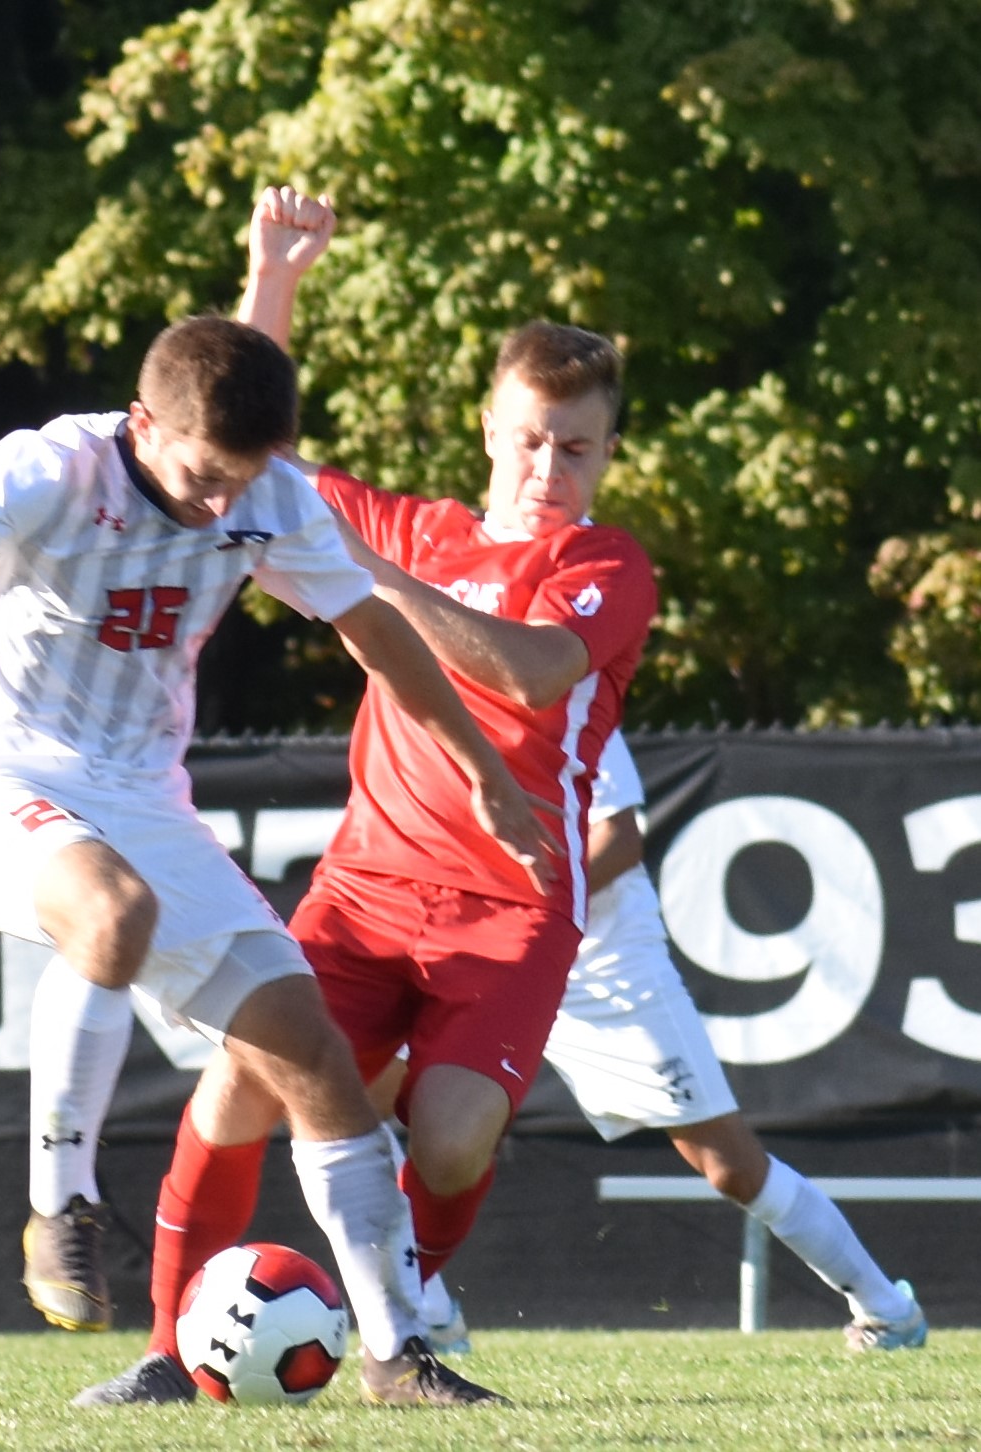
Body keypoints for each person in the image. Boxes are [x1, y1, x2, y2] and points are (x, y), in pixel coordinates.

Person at [0, 311, 562, 1407]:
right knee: (113, 916)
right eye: (202, 476)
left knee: (312, 1055)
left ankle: (391, 1353)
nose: (219, 506)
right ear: (144, 424)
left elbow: (376, 631)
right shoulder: (53, 469)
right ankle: (61, 1205)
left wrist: (478, 763)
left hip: (144, 800)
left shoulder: (267, 496)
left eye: (240, 482)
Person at [74, 186, 658, 1404]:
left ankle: (413, 1313)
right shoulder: (416, 519)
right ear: (490, 428)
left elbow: (533, 669)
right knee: (239, 1079)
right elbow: (235, 442)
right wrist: (272, 279)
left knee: (449, 1136)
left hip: (512, 901)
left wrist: (364, 573)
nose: (549, 466)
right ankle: (170, 1351)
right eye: (530, 437)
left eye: (578, 446)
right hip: (368, 884)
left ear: (609, 451)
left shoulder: (606, 565)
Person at [401, 728, 927, 1352]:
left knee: (729, 1167)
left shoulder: (565, 701)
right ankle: (424, 1314)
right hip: (485, 957)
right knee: (371, 1086)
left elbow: (619, 838)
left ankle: (888, 1311)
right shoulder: (425, 706)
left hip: (602, 969)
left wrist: (520, 903)